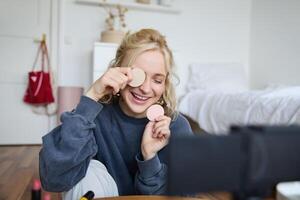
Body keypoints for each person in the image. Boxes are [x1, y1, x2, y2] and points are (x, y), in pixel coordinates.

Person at [39, 29, 193, 198]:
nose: (145, 88)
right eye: (137, 75)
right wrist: (92, 96)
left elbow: (184, 197)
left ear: (165, 84)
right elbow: (53, 179)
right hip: (102, 193)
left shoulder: (176, 126)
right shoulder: (94, 117)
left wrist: (149, 157)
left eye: (157, 80)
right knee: (88, 171)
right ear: (118, 70)